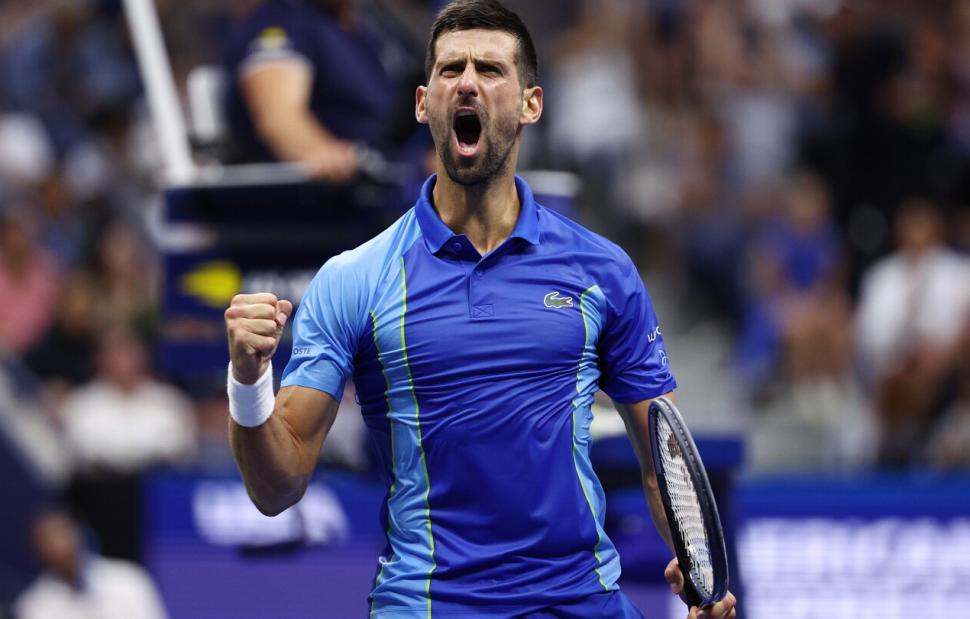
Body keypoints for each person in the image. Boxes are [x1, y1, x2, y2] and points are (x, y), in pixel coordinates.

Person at [224, 1, 737, 617]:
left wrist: (700, 572)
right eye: (450, 70)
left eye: (490, 70)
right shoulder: (354, 279)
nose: (467, 82)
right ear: (423, 104)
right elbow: (276, 488)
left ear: (530, 105)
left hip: (581, 603)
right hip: (430, 605)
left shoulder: (603, 271)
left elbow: (665, 464)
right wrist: (248, 381)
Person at [223, 0, 414, 181]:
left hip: (395, 172)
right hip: (336, 190)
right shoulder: (282, 22)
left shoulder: (373, 27)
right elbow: (279, 116)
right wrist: (321, 152)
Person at [14, 510, 168, 619]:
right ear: (38, 548)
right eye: (47, 540)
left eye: (61, 534)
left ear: (78, 535)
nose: (57, 547)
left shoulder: (128, 579)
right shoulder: (34, 605)